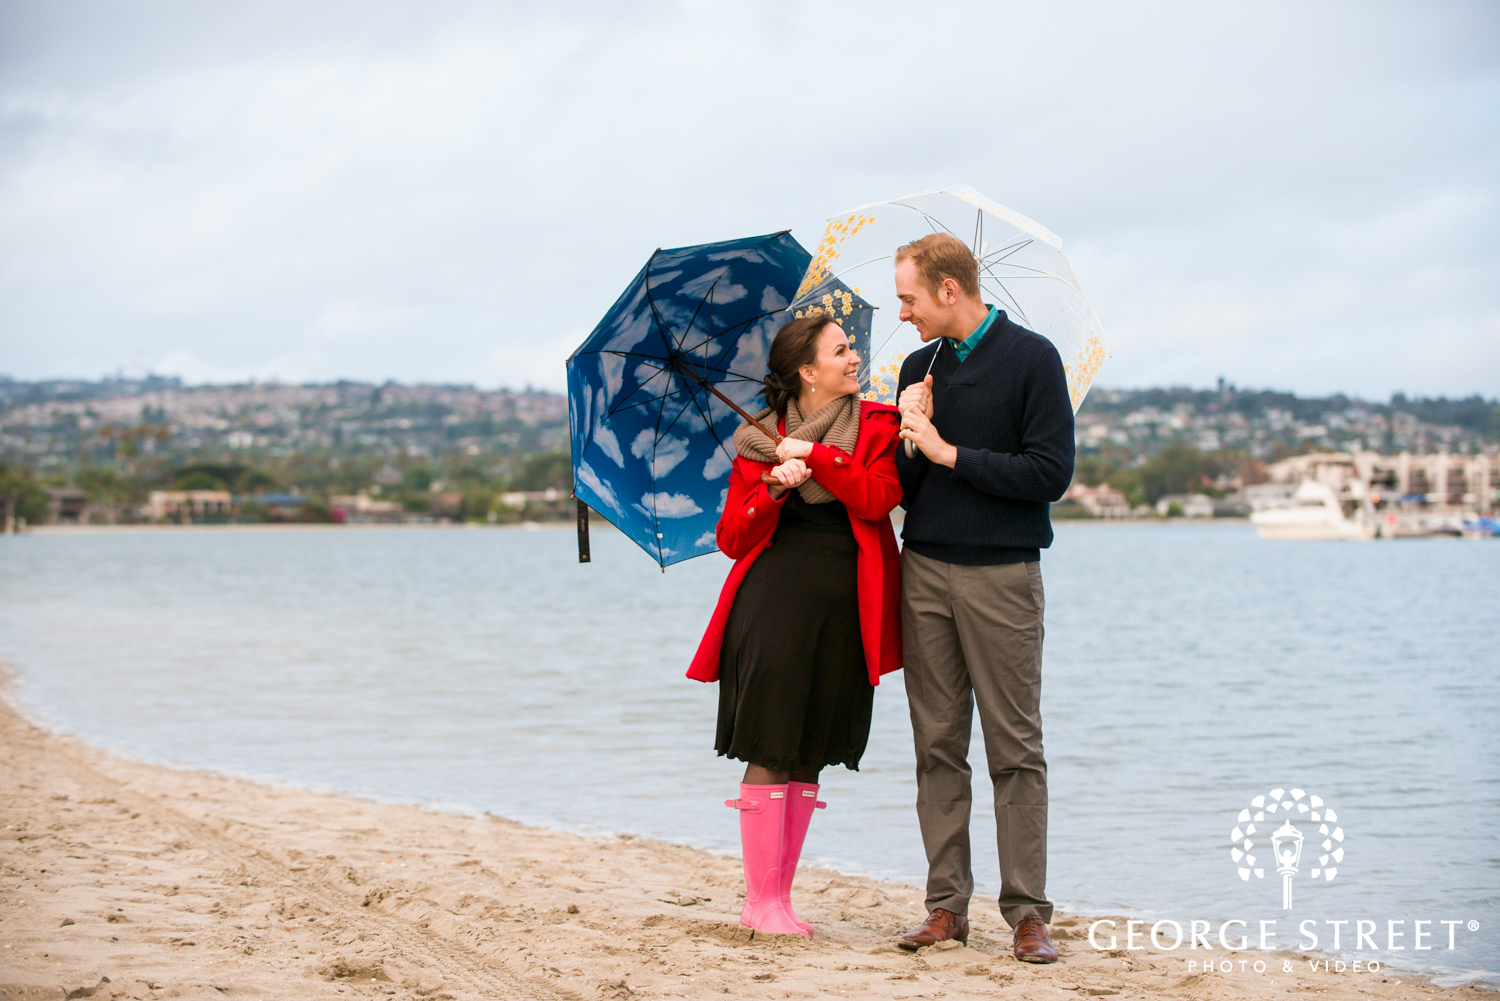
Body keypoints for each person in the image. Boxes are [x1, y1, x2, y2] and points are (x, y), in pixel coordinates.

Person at [687, 313, 904, 938]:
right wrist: (774, 491)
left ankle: (781, 898)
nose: (854, 357)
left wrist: (817, 458)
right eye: (841, 351)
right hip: (774, 604)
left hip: (844, 609)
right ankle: (759, 902)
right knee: (771, 742)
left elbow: (878, 498)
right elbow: (732, 539)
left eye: (851, 347)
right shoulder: (756, 441)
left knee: (812, 747)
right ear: (808, 371)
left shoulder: (878, 426)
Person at [891, 233, 1074, 963]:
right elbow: (904, 493)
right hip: (924, 571)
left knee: (1015, 748)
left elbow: (1049, 472)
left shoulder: (1034, 359)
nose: (902, 312)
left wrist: (946, 450)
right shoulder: (916, 367)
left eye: (909, 297)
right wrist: (908, 436)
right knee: (936, 745)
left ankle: (1028, 912)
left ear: (947, 289)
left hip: (1003, 575)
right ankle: (945, 907)